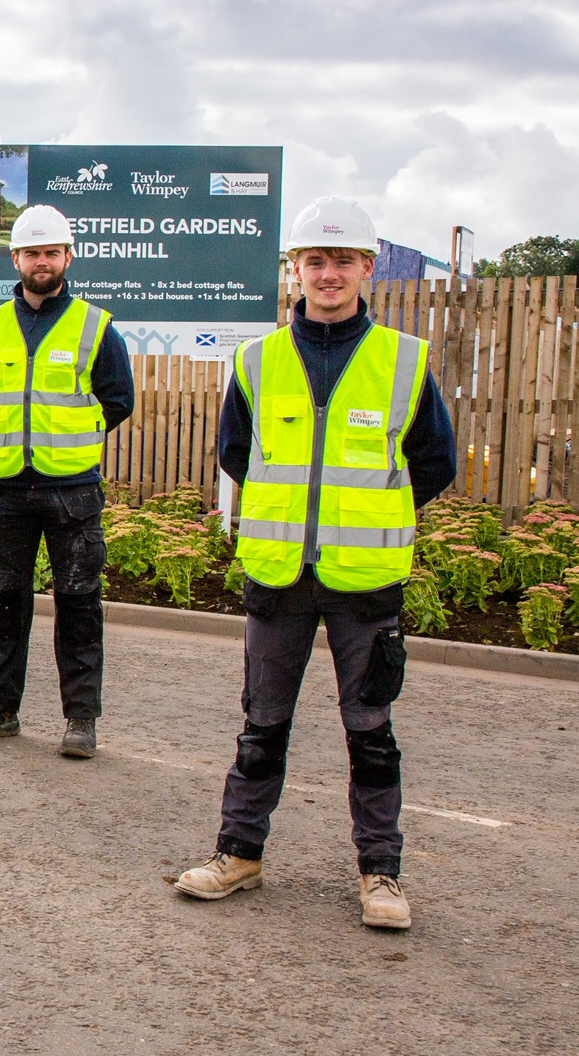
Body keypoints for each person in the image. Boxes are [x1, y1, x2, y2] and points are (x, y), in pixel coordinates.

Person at [174, 196, 458, 931]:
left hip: (365, 584)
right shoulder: (257, 361)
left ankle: (380, 873)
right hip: (276, 577)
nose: (327, 274)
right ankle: (239, 854)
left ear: (367, 268)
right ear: (294, 270)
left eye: (342, 261)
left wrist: (364, 518)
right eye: (314, 261)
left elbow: (433, 463)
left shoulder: (404, 361)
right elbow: (237, 454)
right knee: (262, 723)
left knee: (371, 730)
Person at [0, 205, 134, 758]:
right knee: (3, 602)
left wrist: (68, 434)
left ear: (67, 257)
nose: (41, 262)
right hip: (7, 487)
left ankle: (81, 718)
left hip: (71, 490)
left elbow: (117, 400)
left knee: (79, 604)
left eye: (51, 252)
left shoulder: (96, 327)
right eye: (32, 253)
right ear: (16, 259)